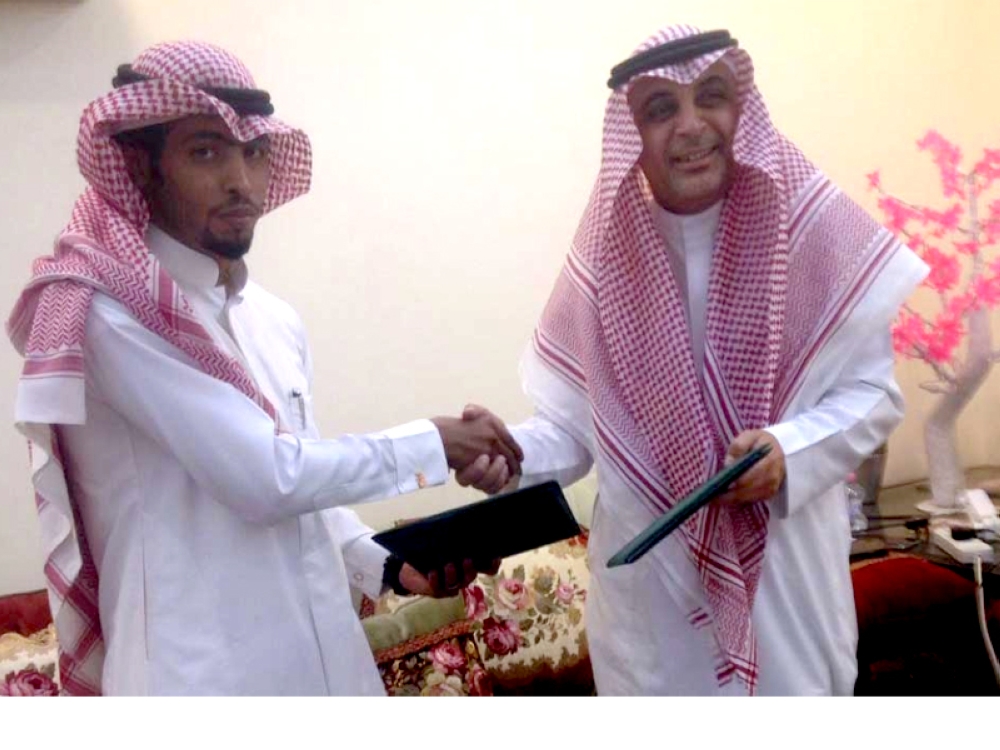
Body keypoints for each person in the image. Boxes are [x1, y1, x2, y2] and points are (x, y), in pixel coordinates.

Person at [6, 40, 520, 696]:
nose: (241, 182)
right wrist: (435, 443)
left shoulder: (272, 320)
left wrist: (393, 566)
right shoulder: (107, 315)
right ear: (140, 166)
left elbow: (306, 492)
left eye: (253, 152)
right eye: (206, 152)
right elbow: (266, 478)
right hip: (199, 681)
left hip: (329, 670)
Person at [457, 24, 927, 695]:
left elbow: (875, 397)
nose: (690, 125)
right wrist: (507, 454)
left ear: (741, 108)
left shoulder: (813, 236)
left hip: (784, 591)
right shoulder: (605, 263)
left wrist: (787, 451)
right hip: (653, 612)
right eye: (660, 109)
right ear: (633, 134)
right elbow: (572, 430)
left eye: (710, 95)